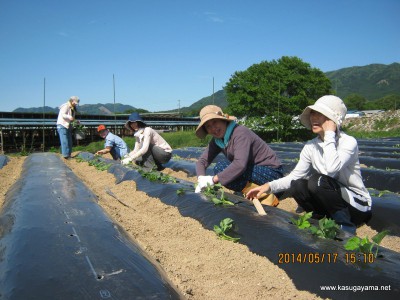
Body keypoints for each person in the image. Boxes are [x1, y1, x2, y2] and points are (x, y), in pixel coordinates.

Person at [246, 95, 372, 234]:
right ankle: (319, 219)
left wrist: (330, 134)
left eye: (319, 114)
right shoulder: (311, 146)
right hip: (332, 201)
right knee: (297, 184)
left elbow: (331, 170)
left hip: (357, 207)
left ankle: (345, 227)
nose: (313, 118)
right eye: (312, 113)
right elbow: (294, 177)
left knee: (317, 180)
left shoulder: (348, 142)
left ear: (332, 119)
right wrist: (267, 187)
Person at [194, 105, 284, 206]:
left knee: (221, 168)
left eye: (214, 122)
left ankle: (267, 197)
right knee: (225, 172)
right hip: (253, 171)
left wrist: (212, 180)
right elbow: (202, 161)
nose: (213, 128)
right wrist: (201, 179)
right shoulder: (217, 140)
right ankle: (250, 191)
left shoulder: (240, 133)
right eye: (208, 126)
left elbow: (240, 164)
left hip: (272, 174)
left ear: (223, 120)